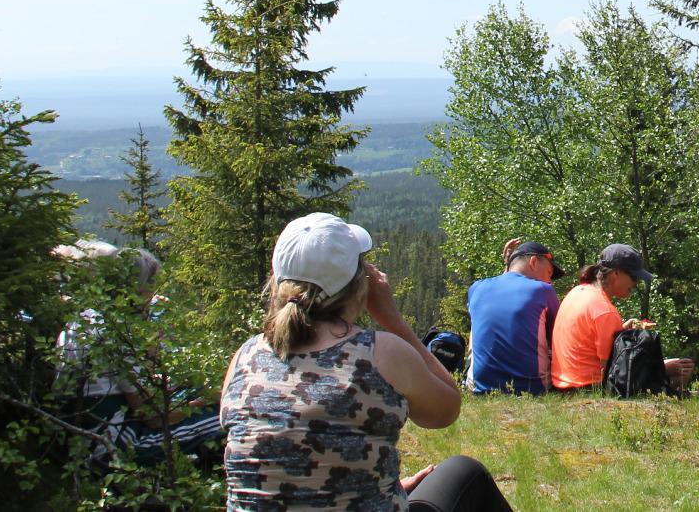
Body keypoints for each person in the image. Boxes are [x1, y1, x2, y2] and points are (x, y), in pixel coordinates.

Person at [219, 213, 510, 512]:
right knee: (465, 472)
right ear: (361, 282)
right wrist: (393, 320)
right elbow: (446, 410)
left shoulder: (245, 357)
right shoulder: (381, 353)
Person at [53, 240, 220, 464]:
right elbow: (154, 416)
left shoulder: (83, 319)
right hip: (115, 443)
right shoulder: (123, 330)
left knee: (192, 394)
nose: (152, 297)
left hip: (76, 436)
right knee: (227, 415)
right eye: (150, 289)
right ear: (139, 288)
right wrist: (211, 398)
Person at [550, 243, 694, 392]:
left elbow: (589, 340)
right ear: (616, 273)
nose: (636, 283)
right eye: (634, 276)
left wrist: (621, 331)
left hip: (563, 383)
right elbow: (614, 371)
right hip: (587, 387)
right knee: (682, 368)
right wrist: (662, 367)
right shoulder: (605, 311)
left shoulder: (577, 292)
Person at [465, 239, 564, 394]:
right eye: (549, 273)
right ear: (533, 262)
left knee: (478, 321)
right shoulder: (543, 290)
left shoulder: (476, 288)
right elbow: (558, 339)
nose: (549, 281)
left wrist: (508, 266)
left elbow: (503, 293)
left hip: (478, 388)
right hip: (531, 388)